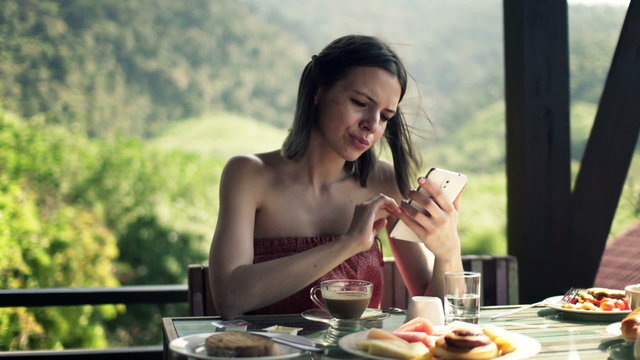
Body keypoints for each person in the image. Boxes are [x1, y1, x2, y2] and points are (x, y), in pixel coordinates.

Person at [209, 35, 464, 319]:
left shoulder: (384, 181)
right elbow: (229, 299)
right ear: (318, 91)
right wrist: (348, 243)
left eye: (385, 116)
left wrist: (449, 252)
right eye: (359, 102)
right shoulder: (249, 174)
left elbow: (440, 313)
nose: (371, 125)